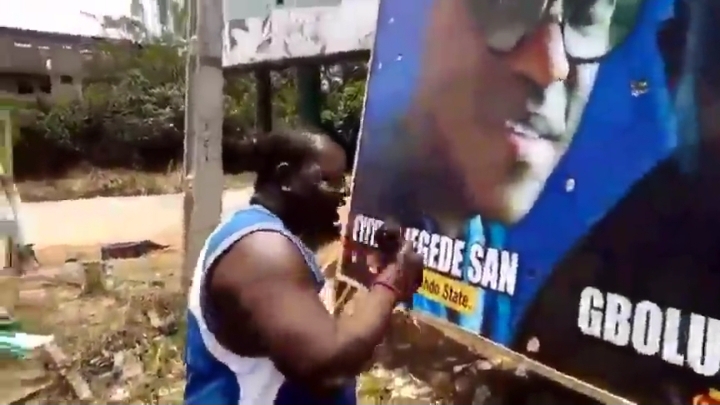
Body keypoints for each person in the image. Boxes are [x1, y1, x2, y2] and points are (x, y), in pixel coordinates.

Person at [183, 128, 424, 405]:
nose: (344, 193)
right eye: (330, 181)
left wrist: (379, 280)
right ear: (286, 178)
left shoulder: (273, 238)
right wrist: (391, 283)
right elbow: (327, 365)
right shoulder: (261, 250)